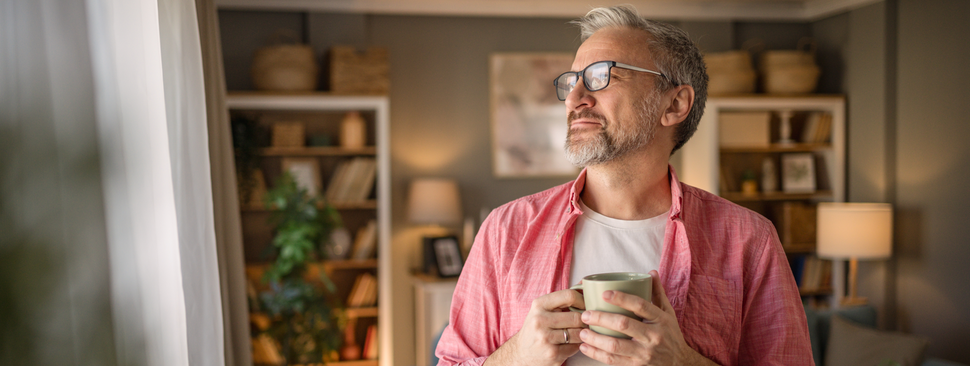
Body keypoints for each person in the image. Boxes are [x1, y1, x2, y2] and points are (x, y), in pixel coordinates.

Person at [435, 5, 813, 366]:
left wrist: (681, 362)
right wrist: (519, 356)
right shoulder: (506, 232)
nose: (575, 99)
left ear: (675, 104)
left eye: (602, 76)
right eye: (571, 82)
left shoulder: (749, 241)